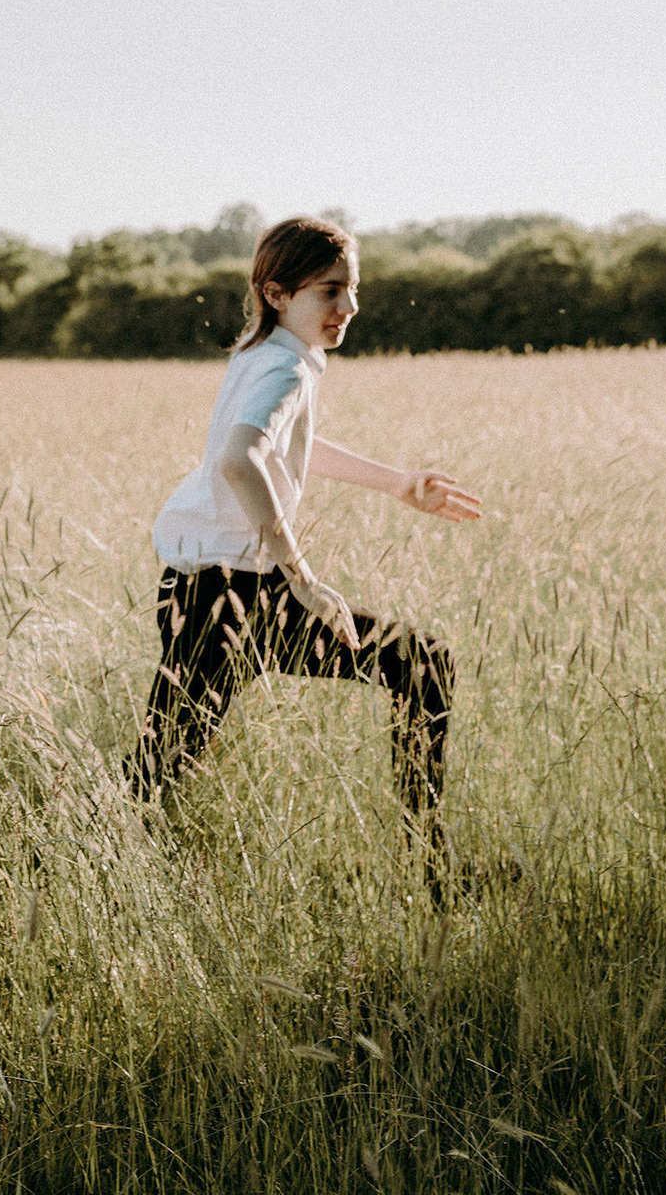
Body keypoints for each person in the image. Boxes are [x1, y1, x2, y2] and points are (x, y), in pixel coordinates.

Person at [127, 216, 482, 879]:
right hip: (228, 593)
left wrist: (397, 483)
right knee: (422, 662)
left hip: (208, 586)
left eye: (352, 289)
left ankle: (432, 866)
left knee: (158, 767)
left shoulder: (265, 355)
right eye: (329, 291)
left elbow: (289, 445)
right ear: (277, 293)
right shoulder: (284, 367)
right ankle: (431, 868)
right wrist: (302, 575)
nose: (349, 306)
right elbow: (240, 459)